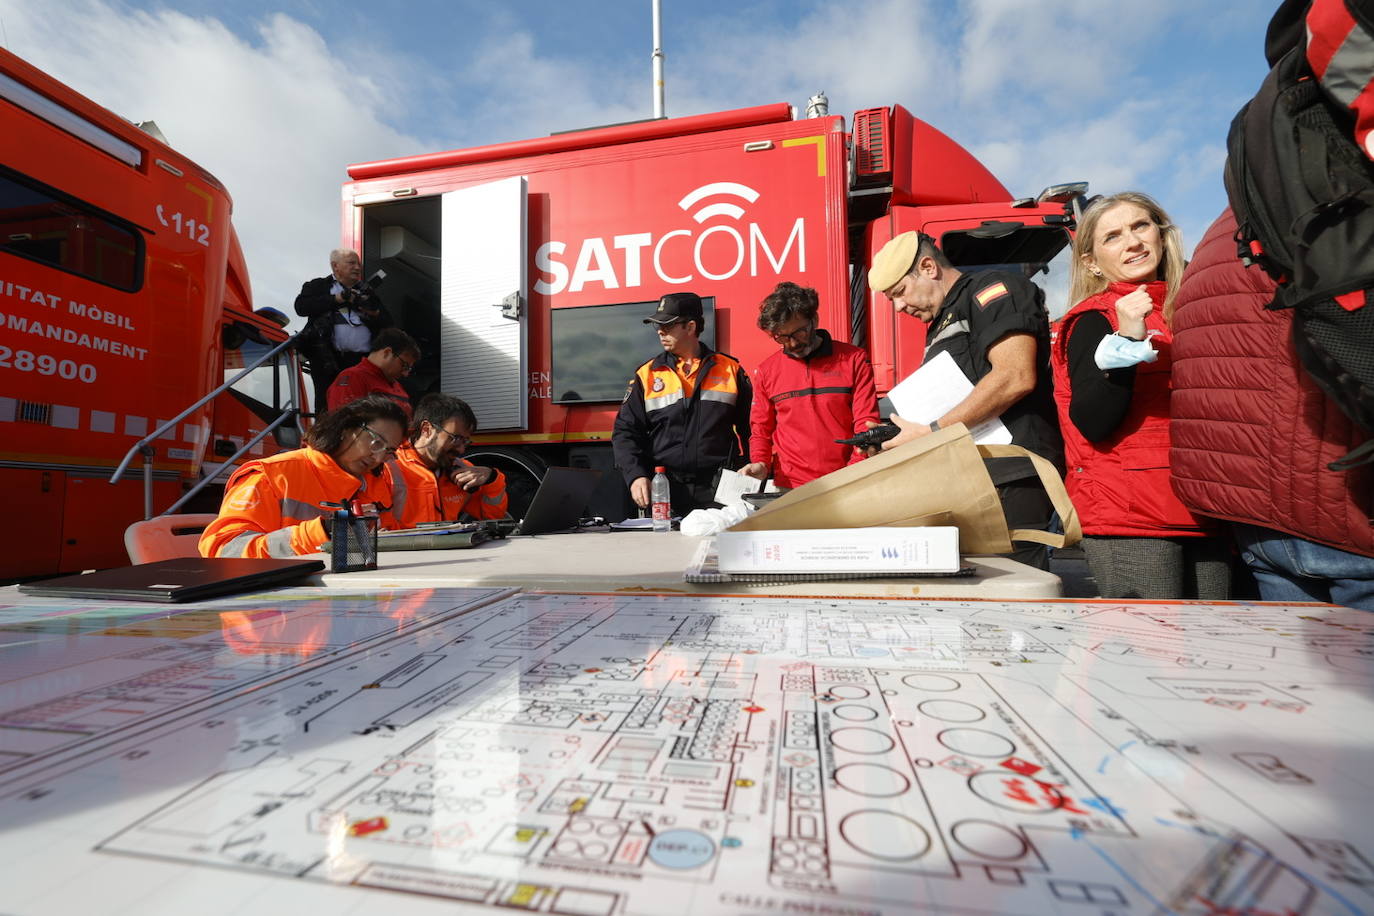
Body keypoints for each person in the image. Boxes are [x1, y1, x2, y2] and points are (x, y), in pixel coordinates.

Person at [1171, 208, 1374, 609]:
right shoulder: (1340, 209)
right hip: (1343, 507)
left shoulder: (1222, 229)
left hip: (1256, 515)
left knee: (1292, 668)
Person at [1049, 192, 1230, 599]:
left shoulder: (1195, 305)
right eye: (1113, 236)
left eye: (1140, 226)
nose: (1132, 241)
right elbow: (1093, 421)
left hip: (1206, 505)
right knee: (1148, 652)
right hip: (1133, 520)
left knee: (1220, 651)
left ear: (1162, 235)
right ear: (1092, 262)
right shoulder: (1096, 319)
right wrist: (1128, 340)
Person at [867, 231, 1063, 569]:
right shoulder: (944, 319)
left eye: (899, 292)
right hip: (972, 478)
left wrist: (931, 433)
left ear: (928, 267)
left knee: (1016, 593)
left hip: (1010, 476)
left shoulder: (994, 290)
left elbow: (1014, 376)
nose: (898, 307)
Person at [199, 394, 406, 558]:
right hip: (274, 605)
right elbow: (223, 551)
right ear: (346, 428)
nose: (378, 457)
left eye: (388, 451)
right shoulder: (271, 476)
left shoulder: (374, 485)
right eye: (376, 442)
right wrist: (320, 533)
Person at [612, 292, 752, 516]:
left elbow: (752, 429)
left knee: (723, 549)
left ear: (690, 327)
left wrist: (750, 468)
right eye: (657, 325)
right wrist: (636, 475)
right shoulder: (646, 374)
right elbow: (625, 432)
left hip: (720, 490)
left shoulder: (730, 370)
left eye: (667, 325)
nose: (660, 331)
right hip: (665, 489)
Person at [738, 282, 878, 489]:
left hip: (849, 480)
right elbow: (761, 428)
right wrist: (760, 462)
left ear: (814, 320)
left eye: (799, 333)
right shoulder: (767, 370)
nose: (793, 344)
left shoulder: (854, 360)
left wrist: (853, 472)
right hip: (790, 487)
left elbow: (866, 424)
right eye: (782, 337)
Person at [383, 393, 509, 529]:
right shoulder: (386, 467)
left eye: (465, 441)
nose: (461, 450)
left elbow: (493, 518)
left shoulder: (462, 471)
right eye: (455, 438)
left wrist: (492, 479)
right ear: (427, 429)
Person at [294, 248, 393, 413]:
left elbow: (389, 324)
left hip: (360, 361)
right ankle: (324, 438)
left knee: (361, 407)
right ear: (335, 266)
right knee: (327, 406)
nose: (357, 267)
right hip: (326, 359)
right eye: (351, 263)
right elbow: (301, 307)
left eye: (358, 264)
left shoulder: (368, 293)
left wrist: (373, 314)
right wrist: (337, 299)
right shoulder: (318, 286)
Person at [325, 327, 420, 419]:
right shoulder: (353, 378)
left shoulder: (396, 384)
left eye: (409, 368)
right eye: (404, 365)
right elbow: (342, 424)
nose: (405, 373)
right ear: (387, 353)